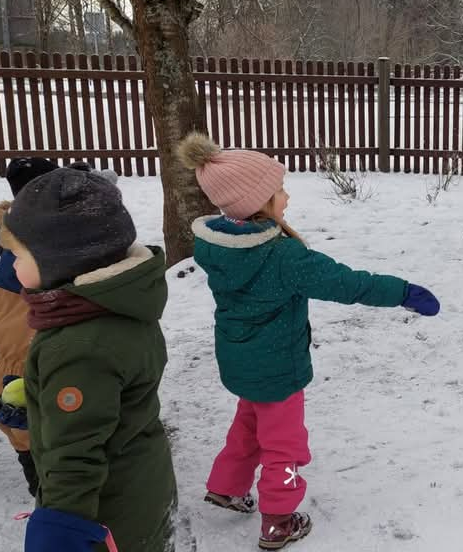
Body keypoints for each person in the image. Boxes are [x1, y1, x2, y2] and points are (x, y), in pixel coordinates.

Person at [177, 132, 440, 550]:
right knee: (284, 444)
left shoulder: (217, 245)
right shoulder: (282, 257)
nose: (286, 196)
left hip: (239, 358)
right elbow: (346, 283)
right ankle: (279, 519)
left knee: (249, 422)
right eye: (278, 190)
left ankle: (227, 486)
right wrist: (402, 291)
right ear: (254, 202)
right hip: (278, 365)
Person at [1, 168, 176, 551]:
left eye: (17, 254)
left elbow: (76, 454)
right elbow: (111, 398)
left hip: (104, 513)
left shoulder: (80, 345)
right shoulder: (116, 305)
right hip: (140, 482)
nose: (11, 263)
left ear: (60, 259)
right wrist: (41, 398)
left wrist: (59, 530)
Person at [0, 157, 59, 498]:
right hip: (17, 335)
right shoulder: (30, 240)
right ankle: (42, 484)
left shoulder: (25, 227)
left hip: (18, 329)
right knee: (24, 409)